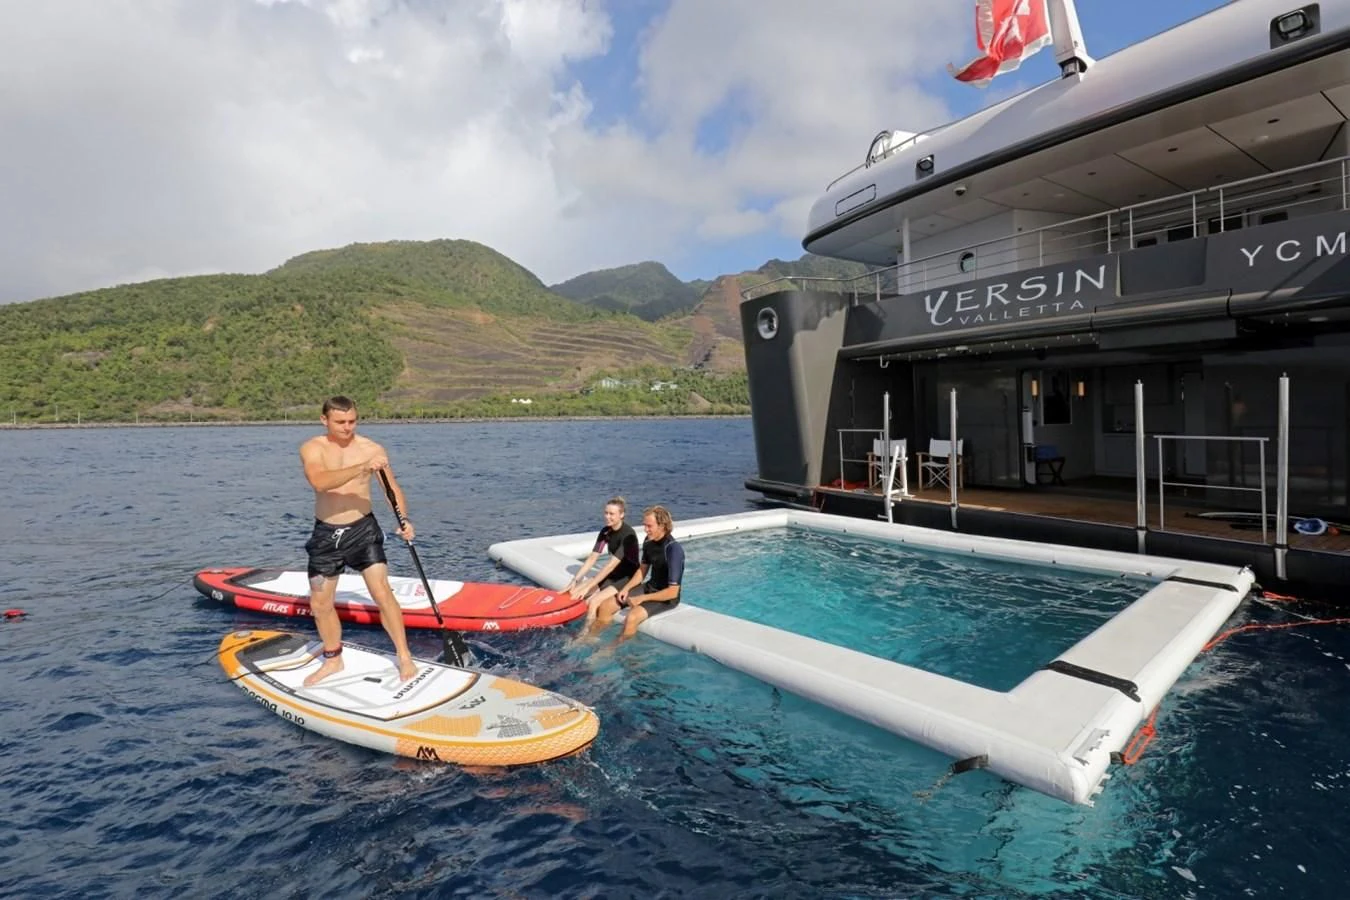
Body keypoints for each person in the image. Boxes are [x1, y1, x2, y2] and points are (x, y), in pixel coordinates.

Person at [298, 395, 418, 686]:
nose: (347, 427)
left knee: (381, 592)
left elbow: (391, 488)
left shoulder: (372, 448)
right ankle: (333, 659)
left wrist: (403, 520)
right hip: (327, 534)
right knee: (321, 603)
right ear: (324, 420)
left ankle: (404, 656)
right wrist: (362, 467)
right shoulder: (313, 448)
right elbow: (319, 481)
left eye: (352, 421)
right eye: (340, 422)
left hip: (363, 530)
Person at [588, 505, 684, 643]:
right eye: (644, 525)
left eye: (649, 526)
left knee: (632, 617)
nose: (645, 530)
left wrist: (642, 598)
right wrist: (626, 589)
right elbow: (642, 570)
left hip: (666, 597)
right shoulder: (648, 541)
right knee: (605, 606)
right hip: (650, 587)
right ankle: (591, 637)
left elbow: (673, 592)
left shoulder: (673, 550)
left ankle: (610, 650)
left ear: (662, 526)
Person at [565, 497, 641, 627]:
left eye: (612, 514)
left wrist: (589, 586)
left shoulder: (628, 536)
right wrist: (575, 580)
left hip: (627, 578)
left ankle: (585, 635)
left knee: (594, 601)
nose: (607, 517)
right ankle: (569, 623)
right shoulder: (606, 531)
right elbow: (593, 557)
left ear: (621, 515)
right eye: (606, 513)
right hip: (613, 575)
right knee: (575, 593)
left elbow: (610, 566)